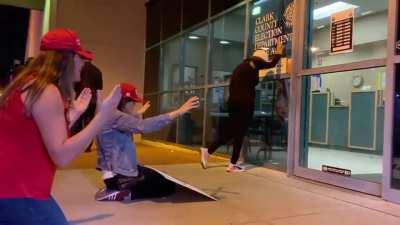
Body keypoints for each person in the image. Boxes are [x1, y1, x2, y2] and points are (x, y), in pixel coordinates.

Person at [0, 28, 122, 225]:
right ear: (67, 59)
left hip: (12, 189)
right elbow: (62, 155)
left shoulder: (30, 84)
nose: (83, 64)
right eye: (81, 58)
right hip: (19, 192)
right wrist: (101, 118)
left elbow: (39, 133)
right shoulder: (47, 91)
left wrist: (75, 113)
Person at [95, 83, 199, 201]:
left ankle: (115, 188)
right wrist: (177, 112)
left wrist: (138, 113)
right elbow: (143, 126)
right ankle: (123, 192)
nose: (134, 105)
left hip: (114, 174)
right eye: (133, 102)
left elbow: (127, 121)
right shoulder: (117, 117)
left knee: (157, 176)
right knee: (167, 187)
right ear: (124, 102)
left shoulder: (110, 114)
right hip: (120, 177)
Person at [200, 42, 283, 172]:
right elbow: (271, 64)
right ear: (261, 58)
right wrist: (279, 52)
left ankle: (223, 159)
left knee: (235, 132)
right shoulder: (255, 62)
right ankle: (216, 155)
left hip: (233, 103)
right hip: (244, 104)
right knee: (238, 132)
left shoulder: (242, 67)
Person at [71, 61, 104, 152]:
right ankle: (87, 146)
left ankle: (74, 144)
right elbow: (99, 89)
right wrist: (99, 103)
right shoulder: (97, 70)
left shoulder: (80, 69)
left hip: (81, 98)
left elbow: (75, 85)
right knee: (89, 123)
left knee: (77, 122)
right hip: (93, 100)